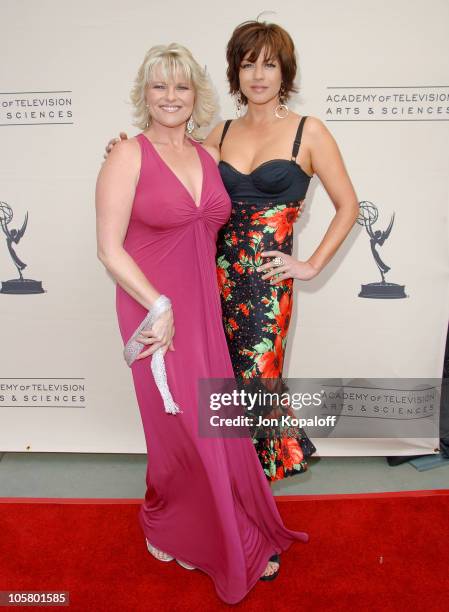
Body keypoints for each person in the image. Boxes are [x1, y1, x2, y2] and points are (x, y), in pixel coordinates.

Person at [96, 42, 309, 604]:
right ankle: (213, 533)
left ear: (197, 95)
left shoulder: (207, 151)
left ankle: (165, 516)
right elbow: (109, 250)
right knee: (180, 423)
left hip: (205, 308)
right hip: (152, 310)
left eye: (182, 86)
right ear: (145, 92)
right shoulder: (127, 154)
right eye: (160, 86)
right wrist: (158, 305)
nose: (171, 97)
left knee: (206, 426)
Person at [105, 21, 359, 482]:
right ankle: (226, 501)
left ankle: (254, 507)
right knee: (215, 397)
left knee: (255, 391)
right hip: (208, 284)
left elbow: (349, 206)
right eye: (247, 64)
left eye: (270, 64)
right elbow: (169, 168)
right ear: (234, 74)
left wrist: (310, 265)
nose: (258, 75)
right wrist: (125, 149)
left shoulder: (309, 131)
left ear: (286, 73)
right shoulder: (217, 134)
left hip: (265, 288)